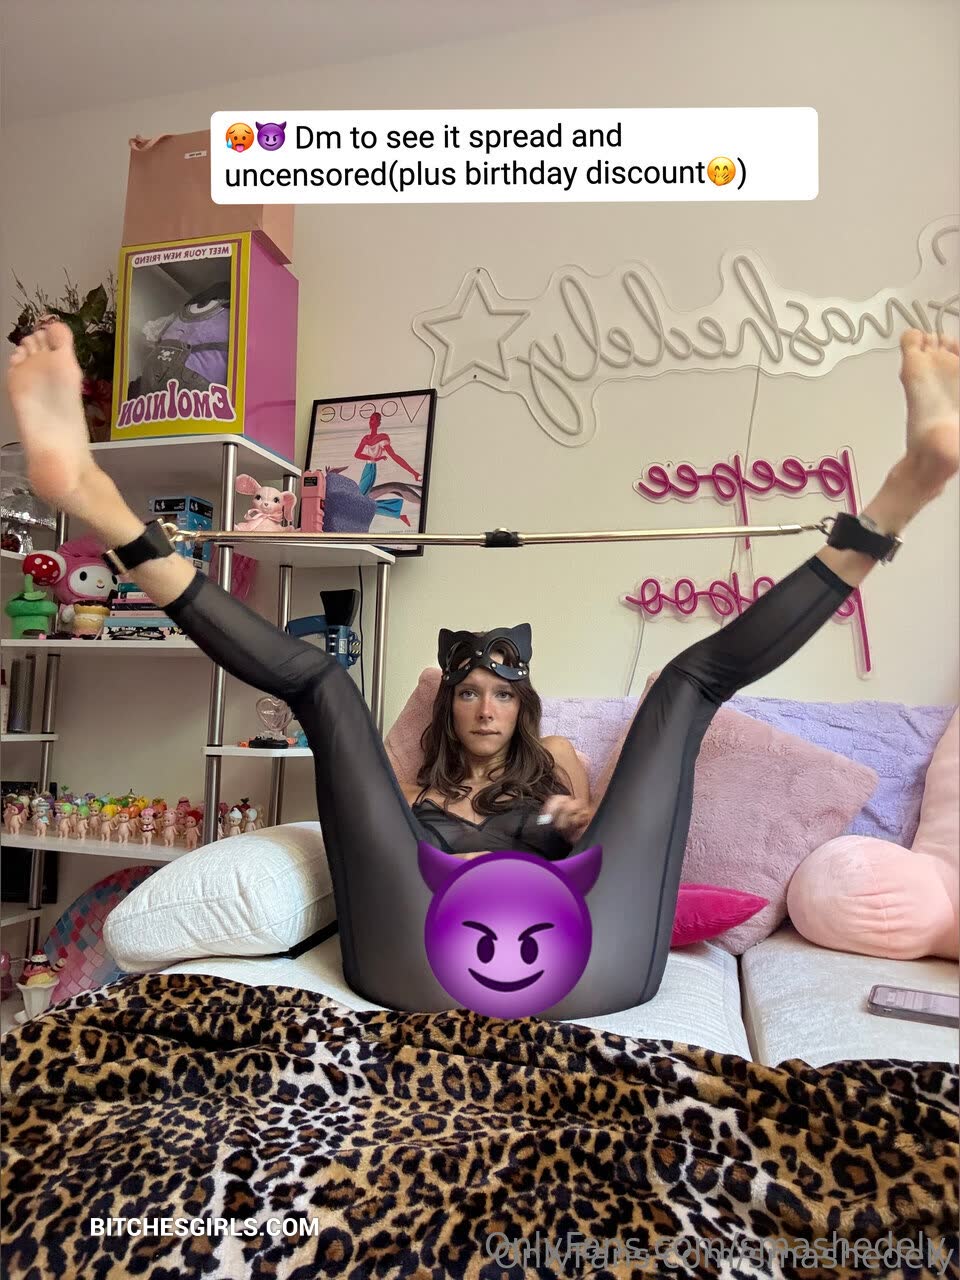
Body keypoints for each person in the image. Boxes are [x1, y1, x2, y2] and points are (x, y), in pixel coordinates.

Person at [5, 322, 958, 1016]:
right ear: (450, 706)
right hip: (434, 946)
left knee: (688, 684)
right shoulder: (411, 783)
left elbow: (603, 834)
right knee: (323, 683)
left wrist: (569, 821)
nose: (485, 707)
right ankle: (98, 501)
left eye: (503, 693)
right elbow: (372, 822)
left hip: (577, 947)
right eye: (467, 692)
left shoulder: (562, 768)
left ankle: (900, 495)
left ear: (523, 707)